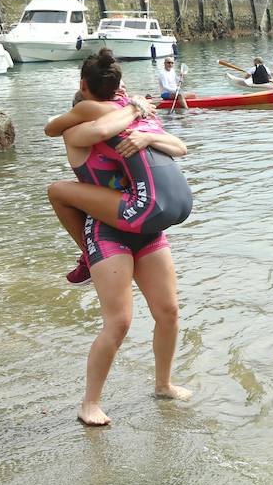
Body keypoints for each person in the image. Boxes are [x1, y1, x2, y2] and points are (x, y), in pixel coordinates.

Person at [43, 52, 194, 425]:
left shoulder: (129, 129)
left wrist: (145, 134)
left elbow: (177, 146)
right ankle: (89, 403)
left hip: (144, 227)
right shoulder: (77, 133)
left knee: (168, 312)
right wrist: (134, 106)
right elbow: (96, 129)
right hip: (108, 231)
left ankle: (163, 384)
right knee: (120, 322)